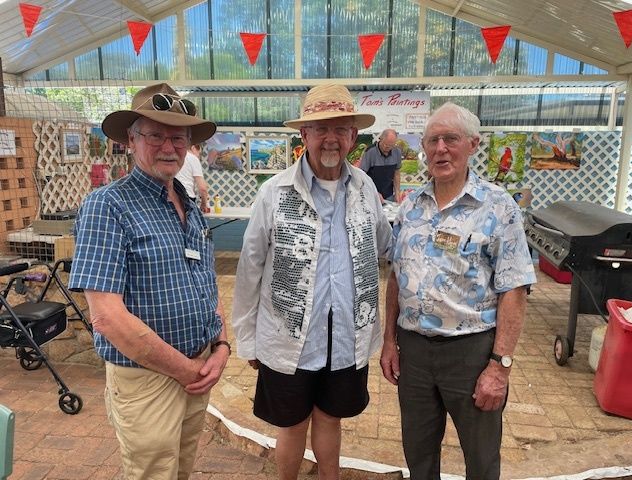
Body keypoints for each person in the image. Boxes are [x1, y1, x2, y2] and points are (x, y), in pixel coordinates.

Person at [69, 83, 231, 480]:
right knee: (152, 474)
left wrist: (222, 345)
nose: (168, 146)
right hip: (149, 379)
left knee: (180, 469)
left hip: (198, 368)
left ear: (189, 143)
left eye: (177, 136)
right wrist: (182, 368)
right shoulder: (108, 205)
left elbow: (207, 285)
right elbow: (106, 317)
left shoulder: (187, 204)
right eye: (155, 134)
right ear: (131, 139)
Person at [232, 83, 392, 480]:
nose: (331, 138)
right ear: (303, 135)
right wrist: (248, 338)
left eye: (340, 128)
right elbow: (250, 270)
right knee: (292, 424)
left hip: (345, 337)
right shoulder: (275, 192)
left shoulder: (366, 189)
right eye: (321, 128)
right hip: (287, 336)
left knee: (330, 418)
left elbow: (386, 244)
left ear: (354, 136)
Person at [380, 102, 536, 480]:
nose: (440, 149)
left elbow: (514, 289)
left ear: (473, 144)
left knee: (481, 461)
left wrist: (500, 366)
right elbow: (397, 278)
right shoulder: (410, 207)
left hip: (471, 353)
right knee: (418, 457)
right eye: (433, 140)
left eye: (450, 139)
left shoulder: (499, 208)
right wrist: (388, 342)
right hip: (413, 353)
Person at [358, 128, 402, 201]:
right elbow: (362, 175)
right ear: (380, 139)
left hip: (389, 195)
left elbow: (396, 173)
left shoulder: (397, 152)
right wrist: (375, 193)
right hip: (371, 195)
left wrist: (397, 193)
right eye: (385, 144)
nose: (388, 148)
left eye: (391, 146)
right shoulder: (370, 152)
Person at [175, 143, 210, 212]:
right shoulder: (193, 158)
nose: (198, 156)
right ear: (193, 148)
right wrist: (204, 204)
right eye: (199, 153)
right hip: (187, 198)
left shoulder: (174, 156)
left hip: (171, 197)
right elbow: (203, 188)